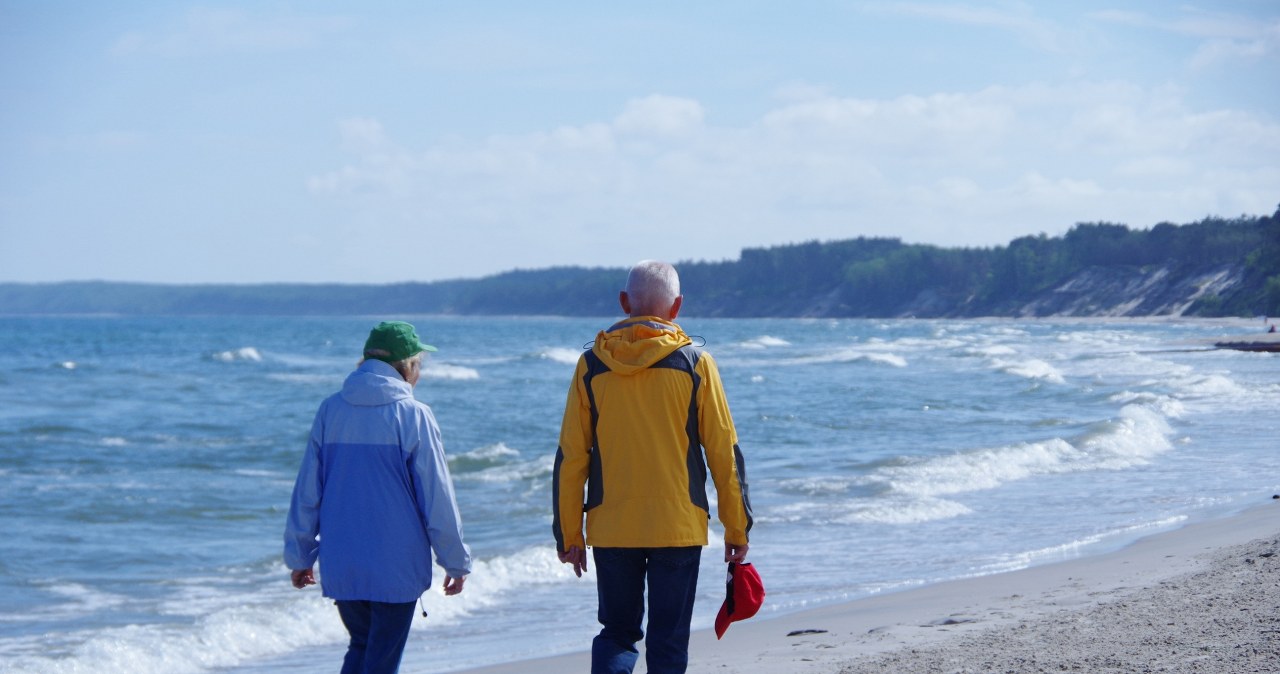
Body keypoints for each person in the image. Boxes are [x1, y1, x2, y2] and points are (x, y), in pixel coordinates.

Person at [553, 260, 754, 674]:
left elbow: (572, 457)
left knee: (617, 634)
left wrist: (569, 533)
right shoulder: (696, 364)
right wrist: (737, 527)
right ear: (677, 307)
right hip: (677, 526)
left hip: (612, 527)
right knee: (668, 639)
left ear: (625, 303)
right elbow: (723, 453)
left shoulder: (591, 366)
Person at [285, 320, 472, 674]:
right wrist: (456, 561)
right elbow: (437, 497)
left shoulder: (331, 410)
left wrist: (299, 552)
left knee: (362, 645)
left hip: (344, 559)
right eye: (420, 364)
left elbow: (308, 489)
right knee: (381, 659)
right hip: (395, 564)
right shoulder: (414, 415)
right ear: (408, 365)